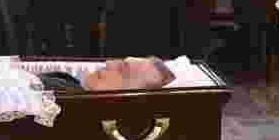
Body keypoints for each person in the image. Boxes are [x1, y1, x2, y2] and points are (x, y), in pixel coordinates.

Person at [39, 56, 176, 92]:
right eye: (120, 62)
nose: (109, 63)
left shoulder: (63, 94)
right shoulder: (66, 80)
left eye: (122, 71)